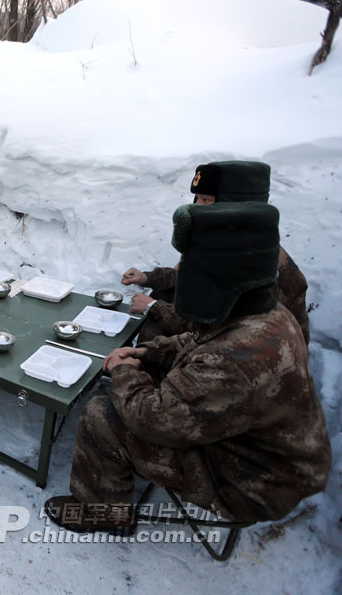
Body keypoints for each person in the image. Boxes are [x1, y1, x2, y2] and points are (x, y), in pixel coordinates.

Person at [45, 202, 331, 535]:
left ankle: (103, 513)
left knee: (102, 414)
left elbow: (152, 420)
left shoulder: (234, 361)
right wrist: (147, 352)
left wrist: (124, 372)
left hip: (253, 483)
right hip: (264, 455)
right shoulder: (264, 315)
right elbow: (197, 341)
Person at [123, 161, 310, 343]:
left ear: (234, 206)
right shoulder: (229, 245)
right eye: (197, 199)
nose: (197, 207)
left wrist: (153, 307)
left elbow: (214, 328)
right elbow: (190, 277)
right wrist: (147, 278)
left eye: (206, 200)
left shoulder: (259, 264)